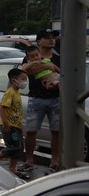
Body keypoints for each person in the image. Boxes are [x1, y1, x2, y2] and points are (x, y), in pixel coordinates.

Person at [21, 29, 61, 173]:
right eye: (47, 38)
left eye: (53, 38)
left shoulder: (58, 58)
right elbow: (27, 71)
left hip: (55, 98)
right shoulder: (30, 56)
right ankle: (29, 160)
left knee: (56, 131)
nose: (51, 40)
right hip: (36, 98)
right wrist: (48, 66)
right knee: (31, 130)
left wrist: (47, 67)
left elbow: (62, 72)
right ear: (39, 41)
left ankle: (55, 160)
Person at [0, 68, 27, 176]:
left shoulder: (16, 93)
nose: (25, 82)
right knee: (14, 146)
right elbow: (2, 108)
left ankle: (12, 168)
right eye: (23, 79)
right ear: (14, 80)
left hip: (16, 126)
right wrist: (6, 123)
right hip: (10, 127)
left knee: (19, 147)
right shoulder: (10, 93)